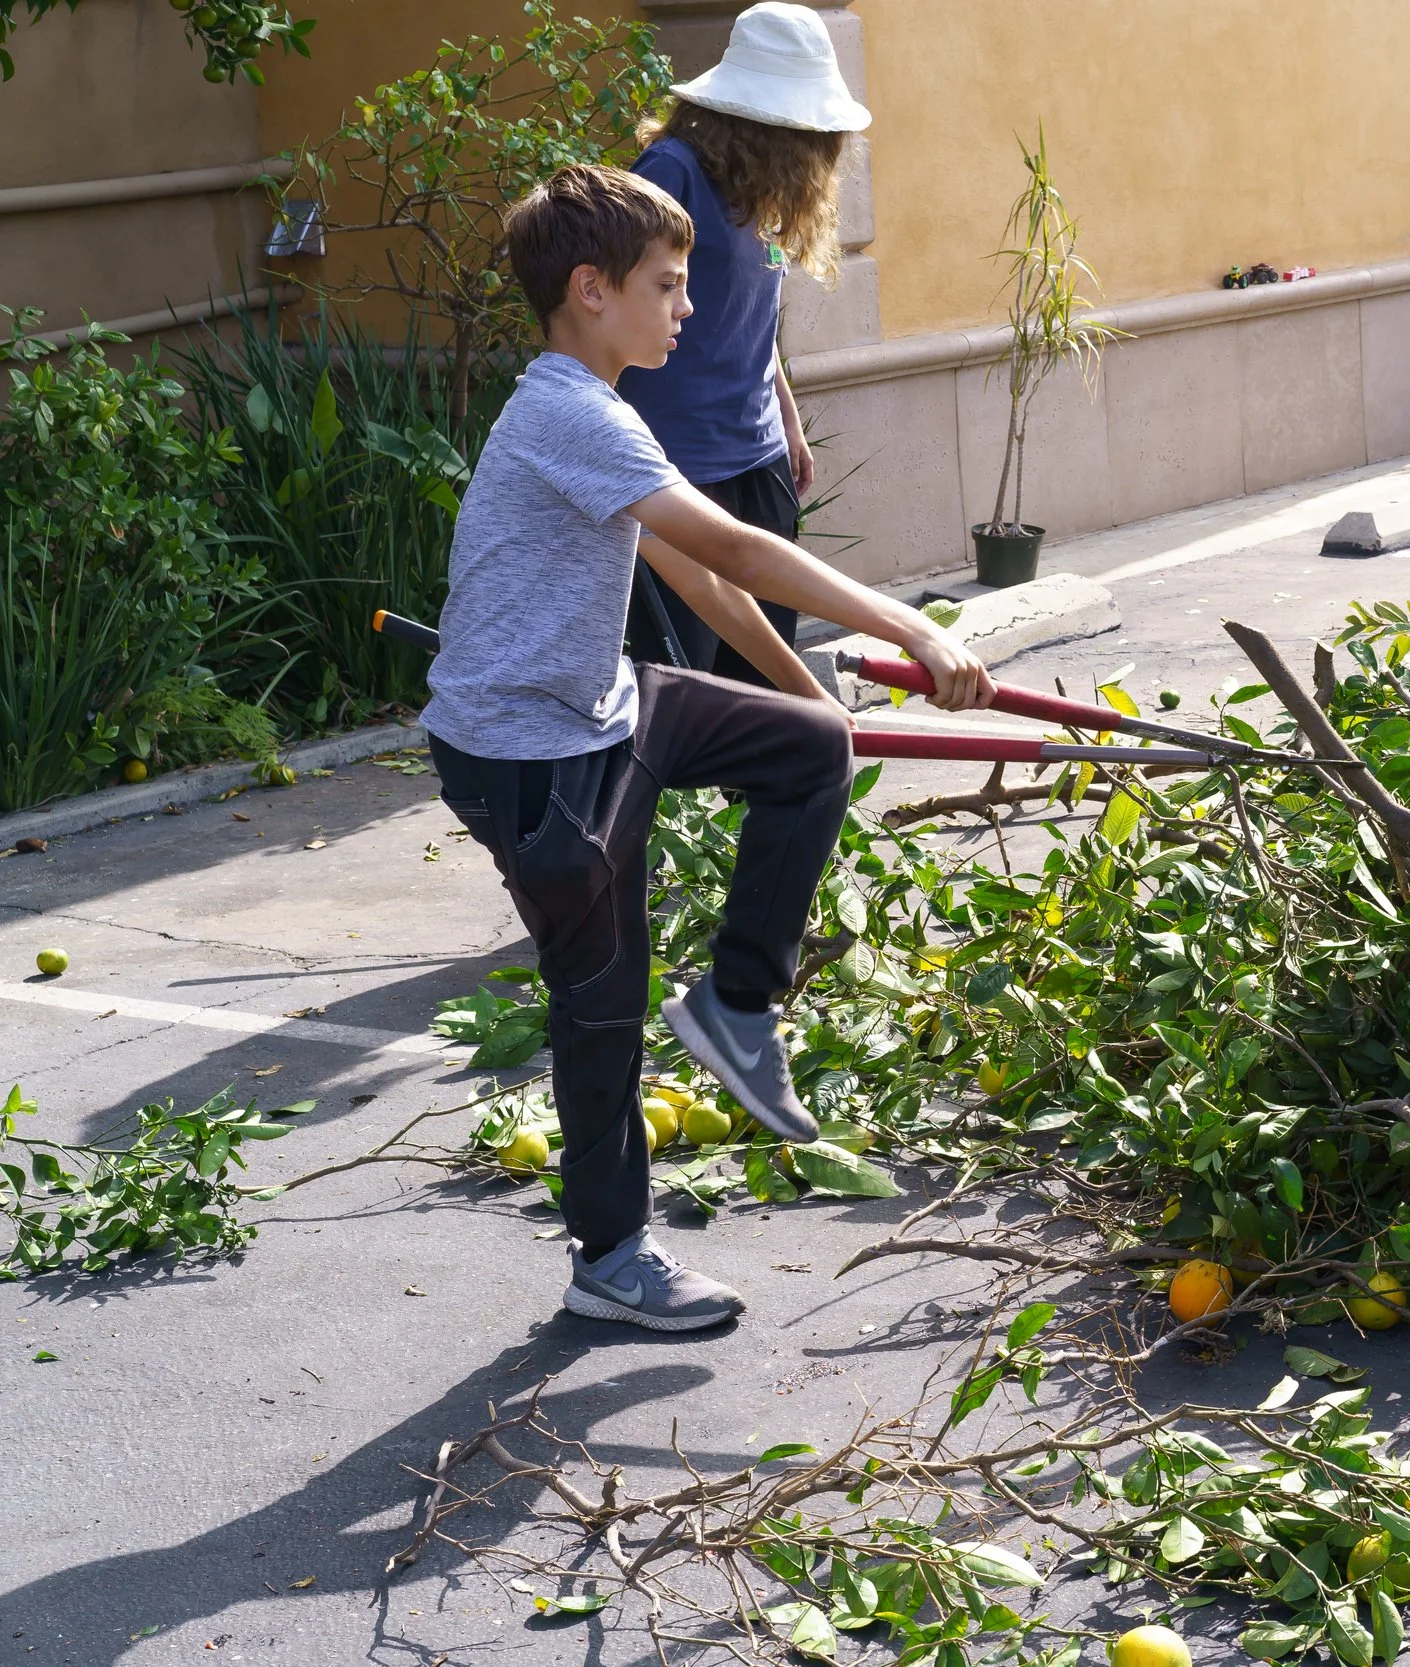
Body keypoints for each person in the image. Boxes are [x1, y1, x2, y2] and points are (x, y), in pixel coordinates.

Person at [423, 163, 993, 1331]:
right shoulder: (567, 413)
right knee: (601, 1003)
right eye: (667, 286)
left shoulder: (602, 404)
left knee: (808, 754)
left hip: (603, 702)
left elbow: (697, 576)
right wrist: (914, 623)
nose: (687, 309)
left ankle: (738, 1006)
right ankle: (611, 1259)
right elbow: (735, 547)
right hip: (528, 759)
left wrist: (811, 702)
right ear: (591, 289)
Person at [617, 2, 868, 684]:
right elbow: (616, 310)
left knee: (763, 689)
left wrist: (788, 419)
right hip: (679, 465)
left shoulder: (764, 186)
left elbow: (754, 314)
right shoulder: (671, 172)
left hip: (758, 459)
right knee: (686, 694)